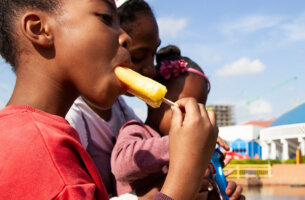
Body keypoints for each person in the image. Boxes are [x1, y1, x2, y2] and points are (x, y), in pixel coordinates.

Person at [0, 0, 219, 199]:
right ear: (39, 29)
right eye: (106, 18)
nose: (126, 37)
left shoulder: (39, 140)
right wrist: (184, 180)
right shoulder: (38, 154)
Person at [111, 45, 244, 200]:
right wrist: (181, 141)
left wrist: (216, 194)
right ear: (152, 100)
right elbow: (120, 166)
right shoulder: (136, 130)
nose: (192, 116)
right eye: (181, 106)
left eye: (198, 107)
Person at [65, 0, 159, 195]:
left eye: (154, 54)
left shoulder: (121, 108)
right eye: (139, 55)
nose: (151, 69)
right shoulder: (72, 116)